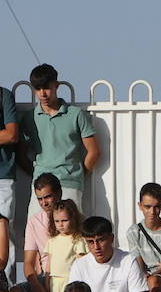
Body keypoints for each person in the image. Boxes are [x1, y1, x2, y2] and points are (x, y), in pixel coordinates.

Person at [17, 63, 99, 207]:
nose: (42, 93)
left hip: (69, 184)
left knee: (70, 228)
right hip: (40, 187)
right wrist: (38, 174)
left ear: (56, 85)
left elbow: (94, 152)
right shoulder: (29, 118)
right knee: (38, 228)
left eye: (47, 87)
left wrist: (76, 175)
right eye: (38, 89)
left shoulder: (76, 114)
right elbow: (21, 153)